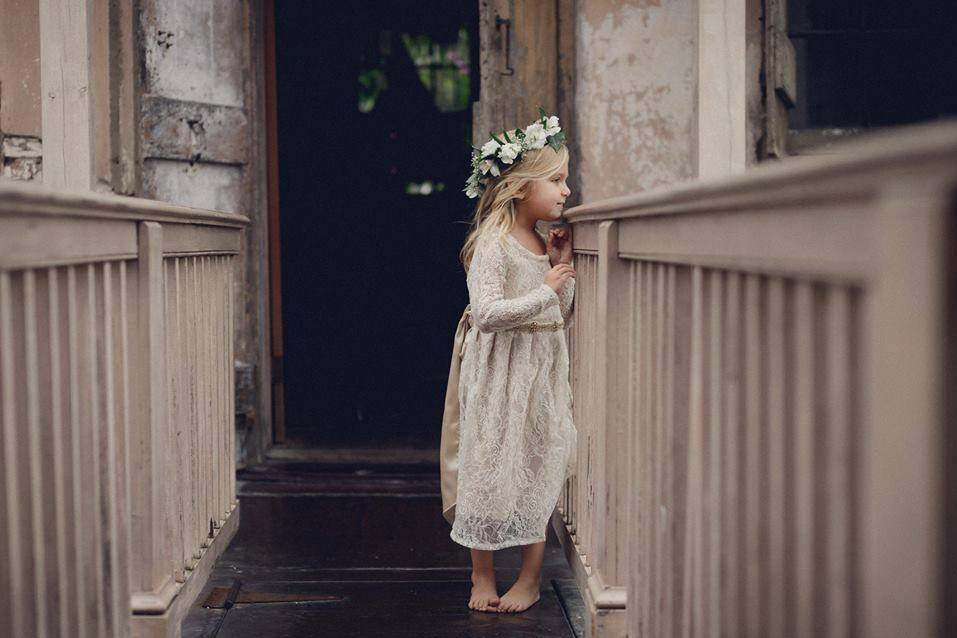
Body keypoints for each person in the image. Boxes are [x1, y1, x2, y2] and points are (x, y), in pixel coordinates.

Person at [439, 110, 577, 613]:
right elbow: (490, 314)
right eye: (556, 179)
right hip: (500, 372)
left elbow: (558, 315)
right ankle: (482, 575)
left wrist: (559, 266)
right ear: (520, 187)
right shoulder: (492, 246)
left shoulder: (542, 242)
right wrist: (544, 288)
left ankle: (531, 577)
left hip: (539, 371)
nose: (566, 190)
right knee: (489, 464)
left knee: (536, 464)